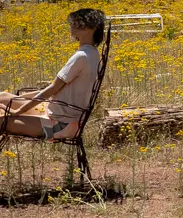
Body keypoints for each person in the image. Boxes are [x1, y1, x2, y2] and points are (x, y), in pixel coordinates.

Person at [0, 8, 105, 142]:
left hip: (61, 125)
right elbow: (58, 88)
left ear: (92, 28)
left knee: (2, 121)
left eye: (79, 24)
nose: (72, 26)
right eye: (74, 22)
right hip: (59, 113)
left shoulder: (81, 56)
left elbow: (53, 88)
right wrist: (23, 98)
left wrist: (18, 110)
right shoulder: (93, 53)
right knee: (3, 97)